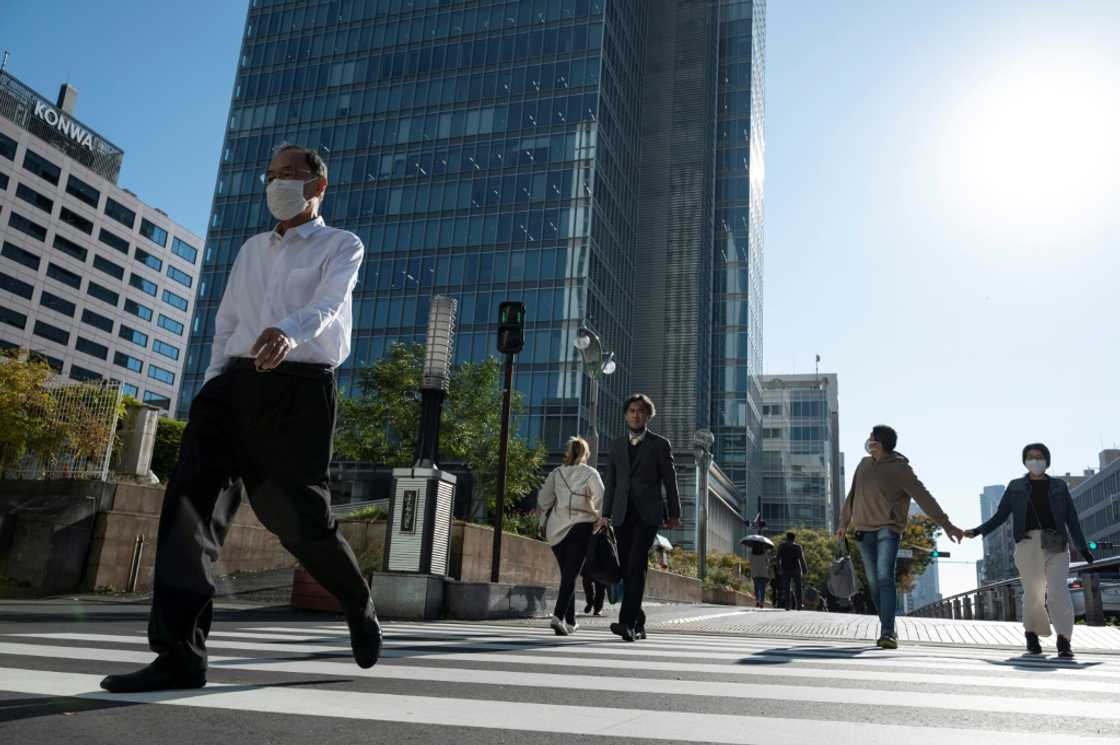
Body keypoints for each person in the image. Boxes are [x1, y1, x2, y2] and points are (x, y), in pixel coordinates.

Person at [100, 145, 380, 693]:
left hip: (299, 389)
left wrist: (287, 333)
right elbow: (227, 321)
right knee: (188, 513)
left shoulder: (341, 244)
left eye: (291, 174)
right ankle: (179, 656)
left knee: (296, 517)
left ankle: (356, 599)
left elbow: (329, 304)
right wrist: (212, 383)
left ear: (318, 185)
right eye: (271, 175)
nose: (278, 183)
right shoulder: (251, 249)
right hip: (230, 387)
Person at [838, 424, 964, 649]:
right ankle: (888, 625)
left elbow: (924, 497)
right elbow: (852, 495)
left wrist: (947, 524)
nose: (868, 440)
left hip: (888, 529)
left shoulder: (900, 468)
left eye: (871, 437)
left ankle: (887, 632)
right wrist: (843, 523)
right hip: (863, 530)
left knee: (884, 577)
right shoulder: (864, 464)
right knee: (873, 583)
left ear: (879, 443)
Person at [964, 443, 1094, 658]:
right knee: (1033, 595)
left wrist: (1083, 547)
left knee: (1059, 592)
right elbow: (1001, 515)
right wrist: (978, 531)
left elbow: (1072, 518)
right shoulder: (1016, 486)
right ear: (1024, 461)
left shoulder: (1059, 486)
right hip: (1027, 543)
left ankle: (1064, 640)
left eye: (1039, 456)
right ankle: (1031, 633)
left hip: (1056, 543)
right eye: (1030, 457)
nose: (1035, 460)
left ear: (1047, 460)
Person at [598, 394, 681, 642]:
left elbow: (670, 481)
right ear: (626, 415)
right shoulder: (616, 445)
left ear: (648, 416)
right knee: (627, 568)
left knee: (635, 563)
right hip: (622, 514)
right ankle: (639, 621)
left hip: (648, 515)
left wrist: (674, 513)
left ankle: (627, 623)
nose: (636, 415)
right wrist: (605, 514)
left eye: (641, 411)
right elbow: (612, 482)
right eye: (632, 411)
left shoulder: (660, 444)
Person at [538, 436, 604, 635]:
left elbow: (543, 500)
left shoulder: (556, 473)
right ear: (586, 454)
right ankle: (558, 616)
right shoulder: (590, 473)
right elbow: (601, 496)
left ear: (568, 452)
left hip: (556, 530)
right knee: (570, 575)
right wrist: (598, 517)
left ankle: (571, 621)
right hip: (581, 526)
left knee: (568, 575)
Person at [776, 532, 808, 610]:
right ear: (794, 538)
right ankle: (799, 605)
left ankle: (787, 605)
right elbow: (801, 559)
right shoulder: (798, 547)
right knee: (798, 588)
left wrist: (779, 568)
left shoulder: (781, 546)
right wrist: (804, 569)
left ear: (787, 538)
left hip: (785, 569)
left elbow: (778, 558)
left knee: (786, 588)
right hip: (796, 569)